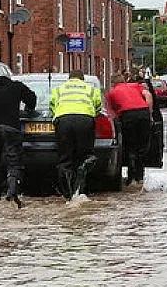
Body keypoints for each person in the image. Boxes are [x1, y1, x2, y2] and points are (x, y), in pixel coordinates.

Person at [0, 72, 37, 207]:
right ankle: (12, 190)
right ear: (9, 80)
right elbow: (32, 98)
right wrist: (29, 110)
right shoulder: (17, 87)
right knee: (14, 161)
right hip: (11, 128)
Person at [50, 70, 102, 199]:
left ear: (69, 78)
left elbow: (52, 106)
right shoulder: (91, 88)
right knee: (85, 155)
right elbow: (98, 106)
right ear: (82, 79)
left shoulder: (59, 89)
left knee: (65, 158)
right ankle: (81, 188)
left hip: (63, 120)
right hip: (85, 119)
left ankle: (67, 194)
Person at [106, 74, 153, 186]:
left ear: (113, 84)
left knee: (131, 147)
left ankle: (131, 178)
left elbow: (110, 112)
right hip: (143, 113)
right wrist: (149, 113)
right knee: (142, 147)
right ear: (124, 81)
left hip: (127, 115)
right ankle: (140, 177)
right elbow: (148, 95)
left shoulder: (111, 93)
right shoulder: (135, 86)